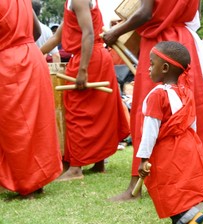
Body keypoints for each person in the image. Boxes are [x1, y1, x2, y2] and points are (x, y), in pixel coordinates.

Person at [102, 0, 203, 201]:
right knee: (182, 113)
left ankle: (135, 187)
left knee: (148, 114)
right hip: (183, 43)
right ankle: (184, 181)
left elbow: (146, 13)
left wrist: (116, 31)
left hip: (160, 44)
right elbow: (193, 17)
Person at [40, 0, 130, 181]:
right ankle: (99, 163)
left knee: (77, 112)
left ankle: (75, 168)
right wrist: (33, 56)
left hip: (88, 60)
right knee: (98, 112)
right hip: (96, 58)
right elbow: (57, 38)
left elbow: (88, 33)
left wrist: (83, 69)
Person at [137, 41, 203, 224]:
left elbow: (150, 129)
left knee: (166, 186)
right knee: (181, 184)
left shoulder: (157, 95)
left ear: (165, 68)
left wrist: (143, 158)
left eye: (152, 64)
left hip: (167, 149)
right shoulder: (185, 91)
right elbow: (191, 122)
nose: (148, 68)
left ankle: (188, 216)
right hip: (188, 144)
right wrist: (193, 146)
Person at [0, 0, 62, 198]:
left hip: (9, 63)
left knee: (17, 128)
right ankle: (37, 180)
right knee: (36, 125)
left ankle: (28, 184)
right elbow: (36, 32)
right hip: (32, 58)